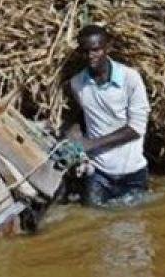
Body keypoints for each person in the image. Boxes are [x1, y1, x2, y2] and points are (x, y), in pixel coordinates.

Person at [62, 24, 151, 206]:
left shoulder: (130, 78)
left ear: (107, 48)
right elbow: (83, 115)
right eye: (85, 51)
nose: (90, 56)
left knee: (134, 227)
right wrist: (72, 133)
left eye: (95, 50)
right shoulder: (77, 83)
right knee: (93, 221)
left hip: (132, 172)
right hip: (99, 173)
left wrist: (90, 144)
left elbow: (136, 128)